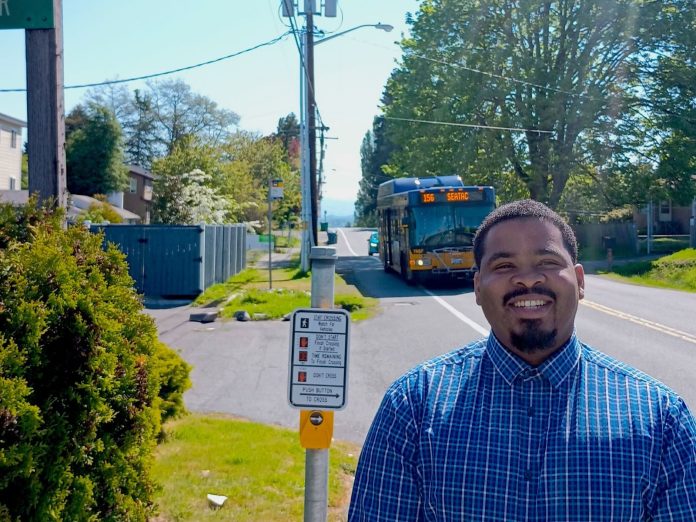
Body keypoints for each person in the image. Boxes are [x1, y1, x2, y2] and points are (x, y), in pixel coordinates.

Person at [348, 199, 696, 521]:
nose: (528, 279)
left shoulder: (661, 419)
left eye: (547, 262)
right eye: (504, 265)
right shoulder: (412, 406)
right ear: (478, 287)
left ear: (579, 281)